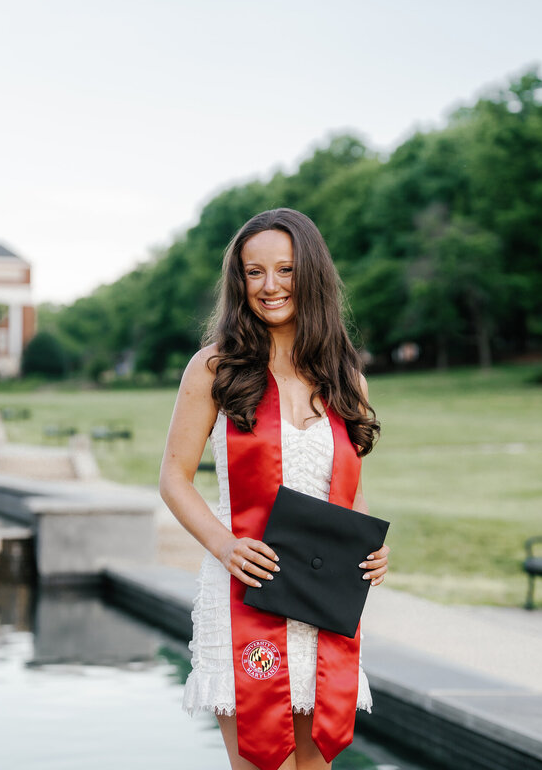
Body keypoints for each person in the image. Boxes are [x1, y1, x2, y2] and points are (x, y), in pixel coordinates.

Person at [159, 208, 389, 770]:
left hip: (323, 600)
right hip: (245, 592)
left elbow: (348, 490)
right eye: (253, 272)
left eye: (285, 270)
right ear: (238, 281)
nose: (269, 286)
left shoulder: (345, 378)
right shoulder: (216, 368)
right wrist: (225, 546)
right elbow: (173, 478)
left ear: (310, 275)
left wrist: (371, 549)